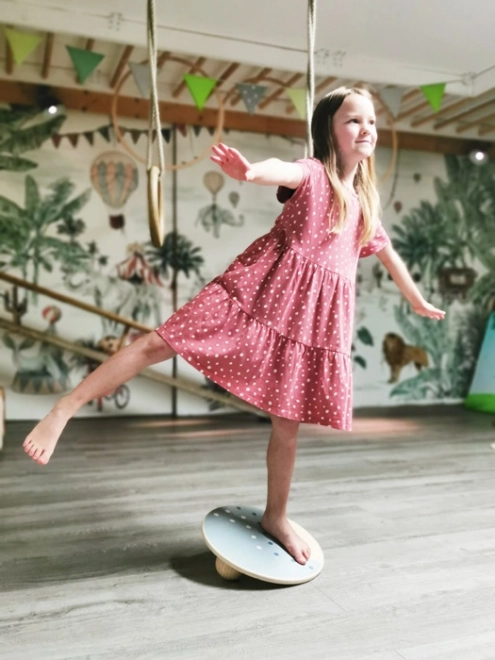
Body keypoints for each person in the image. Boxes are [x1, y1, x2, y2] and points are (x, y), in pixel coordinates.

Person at [23, 87, 445, 565]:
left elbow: (387, 254)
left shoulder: (363, 203)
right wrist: (249, 173)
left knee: (287, 428)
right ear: (329, 130)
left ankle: (276, 517)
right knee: (157, 344)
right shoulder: (313, 173)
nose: (366, 129)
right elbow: (280, 170)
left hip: (308, 323)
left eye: (371, 121)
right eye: (353, 120)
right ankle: (65, 407)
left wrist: (417, 300)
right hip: (257, 295)